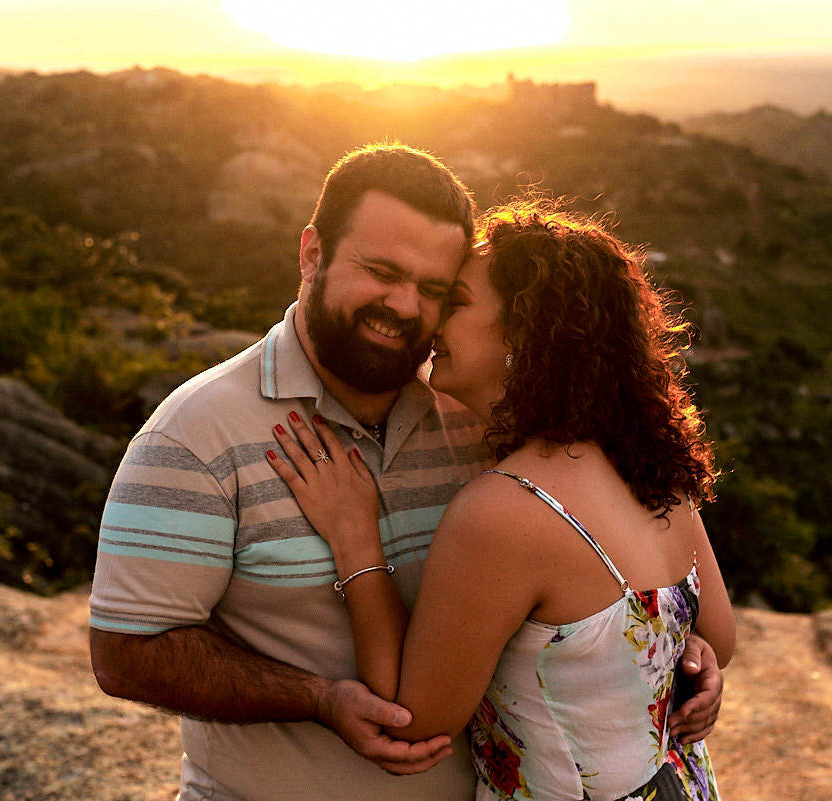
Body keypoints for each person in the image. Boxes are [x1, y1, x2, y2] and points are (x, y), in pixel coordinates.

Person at [88, 144, 724, 801]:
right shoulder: (196, 433)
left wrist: (674, 653)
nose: (404, 305)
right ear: (312, 253)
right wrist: (317, 697)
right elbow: (125, 653)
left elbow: (600, 585)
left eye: (437, 292)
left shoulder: (479, 420)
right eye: (381, 271)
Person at [267, 197, 735, 801]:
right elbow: (719, 637)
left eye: (456, 303)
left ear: (523, 333)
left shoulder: (506, 509)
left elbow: (411, 721)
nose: (431, 324)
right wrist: (684, 659)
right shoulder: (650, 465)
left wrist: (355, 540)